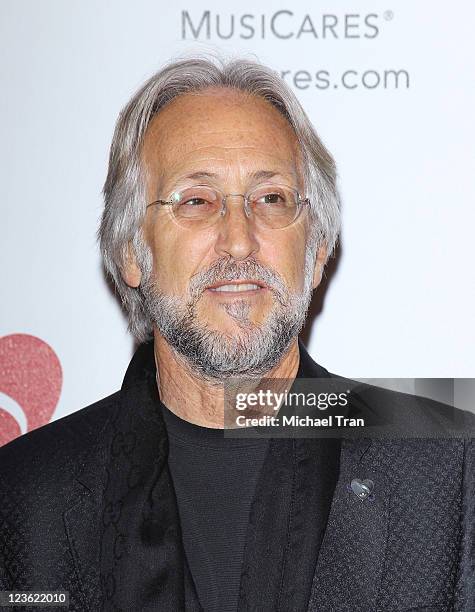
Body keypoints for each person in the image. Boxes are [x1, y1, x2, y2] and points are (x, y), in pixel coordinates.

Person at [1, 55, 474, 612]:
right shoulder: (27, 492)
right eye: (197, 201)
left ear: (317, 250)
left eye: (270, 199)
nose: (240, 241)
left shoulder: (452, 466)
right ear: (132, 251)